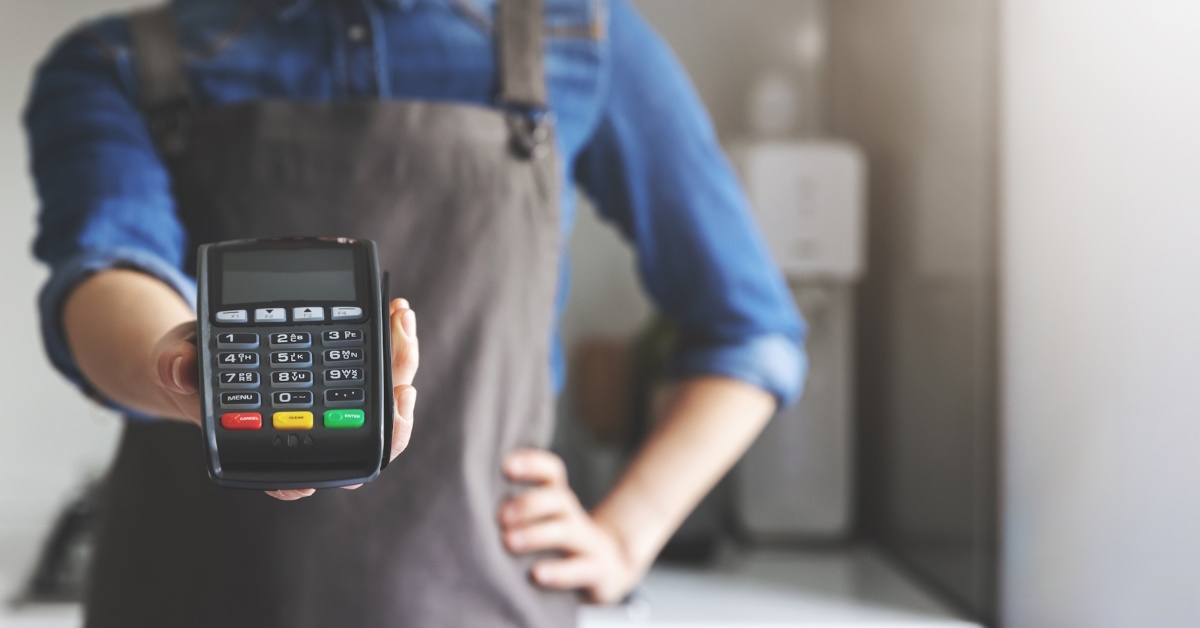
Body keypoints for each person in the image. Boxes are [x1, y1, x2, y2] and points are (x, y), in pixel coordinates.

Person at [24, 0, 806, 626]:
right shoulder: (115, 64)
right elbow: (107, 268)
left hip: (479, 598)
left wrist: (626, 534)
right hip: (185, 597)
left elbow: (752, 329)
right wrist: (196, 375)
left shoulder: (583, 34)